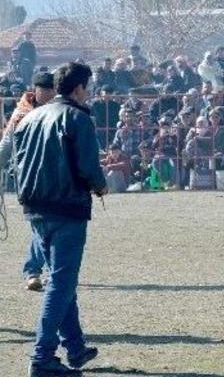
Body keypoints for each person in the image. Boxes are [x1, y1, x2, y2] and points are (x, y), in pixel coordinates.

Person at [14, 61, 106, 376]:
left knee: (60, 281)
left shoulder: (30, 118)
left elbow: (17, 161)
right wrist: (100, 185)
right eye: (88, 87)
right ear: (79, 88)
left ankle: (75, 348)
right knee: (61, 284)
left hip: (35, 208)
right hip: (67, 207)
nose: (88, 93)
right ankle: (42, 359)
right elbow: (89, 167)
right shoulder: (79, 118)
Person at [0, 72, 56, 292]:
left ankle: (39, 270)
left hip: (54, 176)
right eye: (46, 89)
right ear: (36, 90)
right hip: (30, 178)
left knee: (46, 223)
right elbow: (6, 144)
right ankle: (35, 271)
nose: (50, 94)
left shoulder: (58, 110)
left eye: (52, 89)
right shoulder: (21, 114)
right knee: (41, 224)